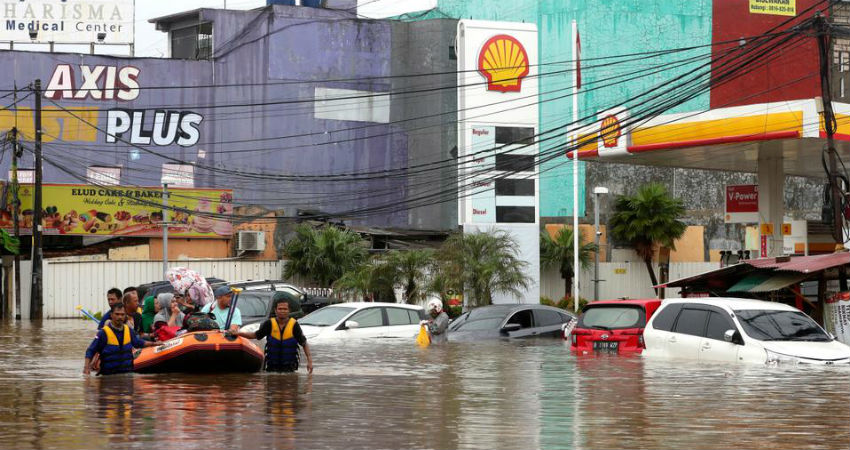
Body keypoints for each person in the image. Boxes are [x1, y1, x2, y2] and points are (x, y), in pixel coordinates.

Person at [231, 299, 313, 373]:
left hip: (290, 368)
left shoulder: (294, 325)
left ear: (289, 311)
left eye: (285, 309)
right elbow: (255, 335)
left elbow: (304, 343)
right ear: (276, 310)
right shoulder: (269, 324)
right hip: (271, 368)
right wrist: (238, 333)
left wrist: (309, 361)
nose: (282, 311)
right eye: (280, 309)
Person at [84, 303, 156, 375]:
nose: (120, 317)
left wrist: (155, 344)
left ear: (125, 316)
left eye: (122, 314)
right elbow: (91, 351)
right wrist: (86, 368)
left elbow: (138, 343)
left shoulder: (129, 330)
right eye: (117, 314)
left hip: (127, 374)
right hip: (109, 376)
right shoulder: (103, 333)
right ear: (111, 315)